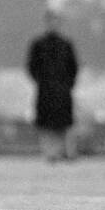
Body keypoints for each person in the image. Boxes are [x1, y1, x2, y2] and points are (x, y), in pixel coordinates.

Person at [26, 11, 79, 161]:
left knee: (65, 123)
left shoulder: (66, 44)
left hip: (63, 89)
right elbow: (31, 66)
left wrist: (68, 83)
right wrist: (40, 81)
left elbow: (73, 67)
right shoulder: (38, 44)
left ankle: (66, 151)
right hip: (45, 89)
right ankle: (50, 153)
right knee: (45, 124)